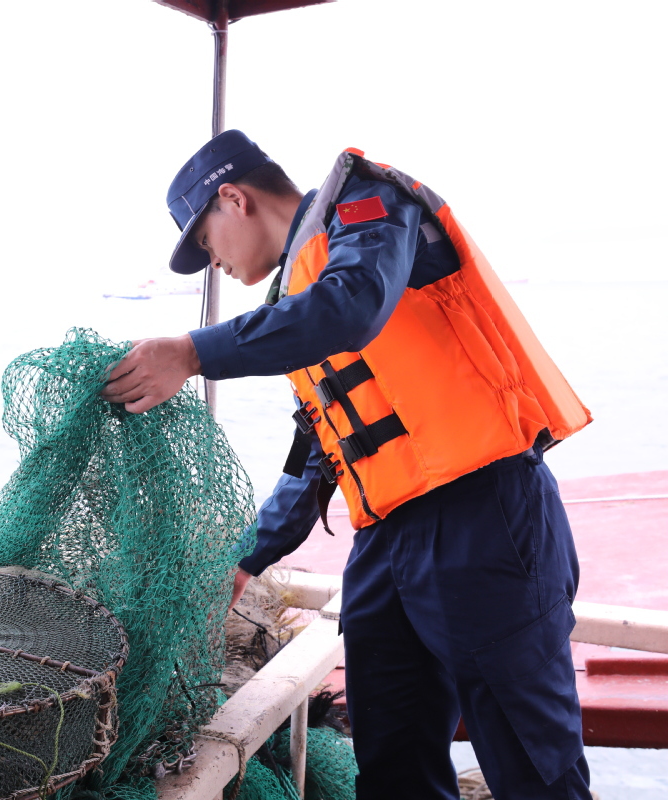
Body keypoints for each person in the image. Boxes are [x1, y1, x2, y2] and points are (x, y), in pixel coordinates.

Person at [101, 130, 593, 800]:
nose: (214, 264)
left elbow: (354, 305)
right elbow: (319, 457)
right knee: (390, 758)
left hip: (485, 517)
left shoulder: (367, 203)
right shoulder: (295, 308)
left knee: (532, 765)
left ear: (233, 198)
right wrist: (244, 560)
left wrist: (192, 352)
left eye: (207, 244)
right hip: (388, 547)